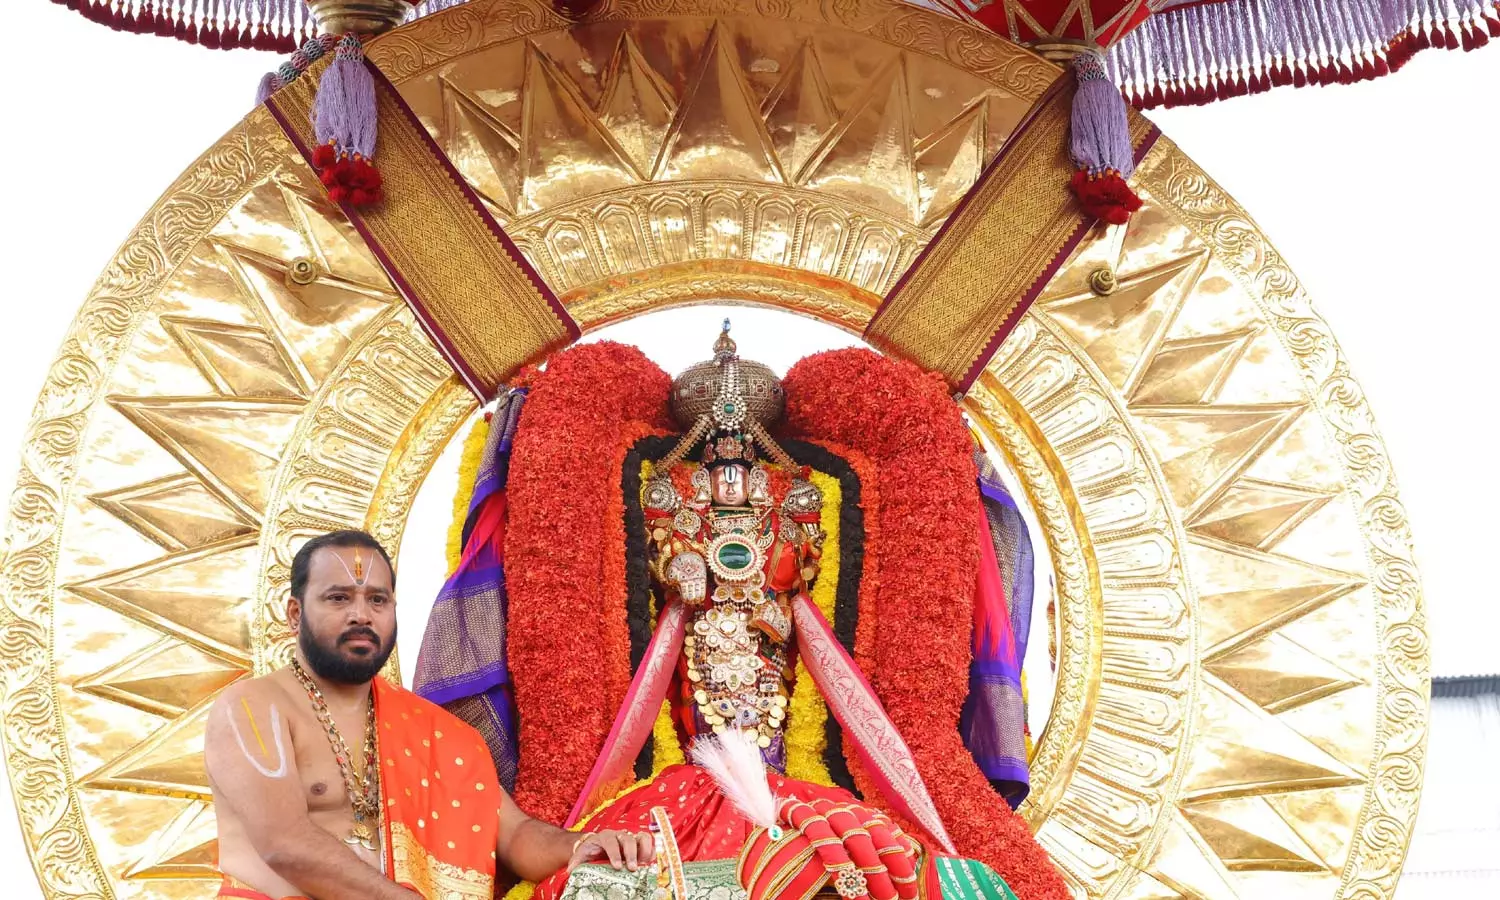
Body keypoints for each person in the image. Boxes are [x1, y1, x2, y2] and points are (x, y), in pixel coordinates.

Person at [205, 529, 655, 900]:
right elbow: (285, 845)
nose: (361, 615)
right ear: (294, 613)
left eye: (377, 600)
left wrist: (581, 845)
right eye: (338, 598)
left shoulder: (439, 733)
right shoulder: (251, 709)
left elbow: (516, 835)